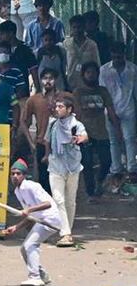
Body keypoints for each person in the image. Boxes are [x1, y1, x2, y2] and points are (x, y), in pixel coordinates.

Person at [2, 158, 62, 286]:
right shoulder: (18, 191)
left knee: (31, 244)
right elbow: (30, 216)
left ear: (24, 175)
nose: (15, 176)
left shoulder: (31, 186)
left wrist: (29, 209)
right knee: (24, 248)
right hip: (40, 220)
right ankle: (42, 274)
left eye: (18, 174)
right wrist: (16, 227)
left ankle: (35, 277)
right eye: (13, 174)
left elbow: (47, 204)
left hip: (50, 219)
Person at [43, 94, 85, 247]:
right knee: (58, 199)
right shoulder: (53, 123)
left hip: (73, 166)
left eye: (61, 107)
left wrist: (80, 139)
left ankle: (67, 231)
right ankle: (66, 233)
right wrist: (47, 155)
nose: (57, 109)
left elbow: (84, 136)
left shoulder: (76, 124)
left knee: (70, 201)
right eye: (57, 106)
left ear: (69, 109)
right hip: (55, 165)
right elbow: (47, 140)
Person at [73, 62, 118, 197]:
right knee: (87, 163)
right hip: (84, 133)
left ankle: (100, 181)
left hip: (101, 132)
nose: (91, 75)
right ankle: (91, 192)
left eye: (94, 73)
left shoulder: (102, 91)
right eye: (88, 73)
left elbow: (110, 111)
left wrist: (117, 129)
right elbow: (76, 113)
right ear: (83, 75)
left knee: (107, 161)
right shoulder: (78, 92)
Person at [99, 41, 137, 183]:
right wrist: (109, 110)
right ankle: (116, 169)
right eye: (114, 57)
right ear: (111, 55)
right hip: (110, 108)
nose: (117, 60)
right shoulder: (104, 70)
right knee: (114, 141)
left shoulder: (133, 70)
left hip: (129, 108)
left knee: (129, 138)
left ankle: (132, 169)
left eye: (119, 57)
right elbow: (103, 92)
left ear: (124, 55)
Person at [62, 14, 100, 92]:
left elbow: (97, 64)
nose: (77, 30)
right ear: (71, 28)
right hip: (71, 84)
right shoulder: (66, 44)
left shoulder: (92, 45)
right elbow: (63, 64)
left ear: (84, 27)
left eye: (79, 27)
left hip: (88, 84)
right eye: (74, 27)